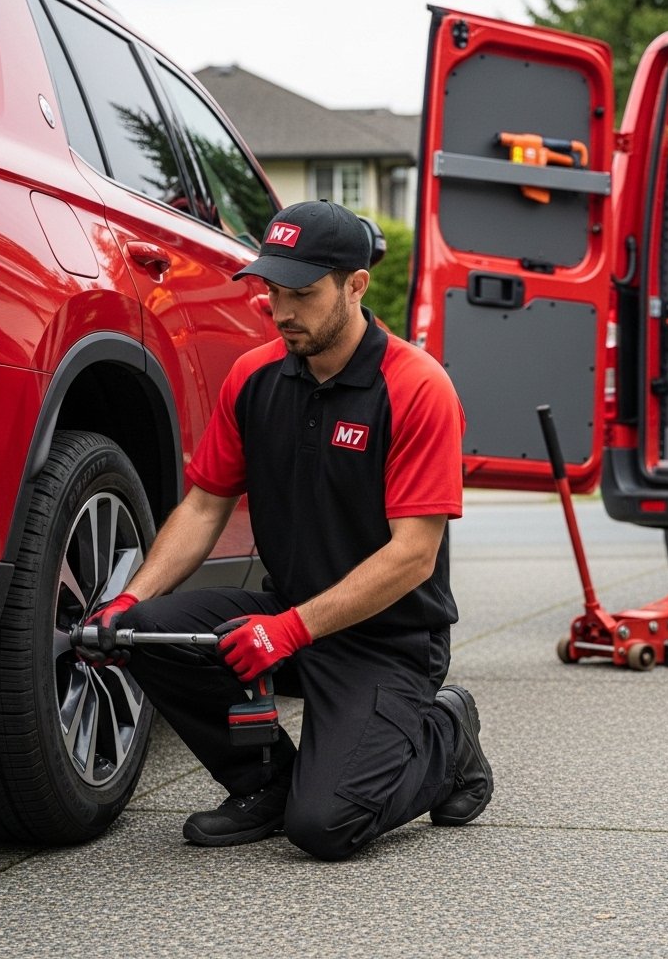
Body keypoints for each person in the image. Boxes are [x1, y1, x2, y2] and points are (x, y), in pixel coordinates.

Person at [78, 199, 492, 860]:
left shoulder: (416, 388)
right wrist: (127, 599)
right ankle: (263, 782)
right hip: (285, 612)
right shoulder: (255, 376)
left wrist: (291, 630)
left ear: (356, 285)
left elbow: (414, 556)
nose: (283, 310)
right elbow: (204, 507)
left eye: (302, 293)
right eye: (272, 291)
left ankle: (445, 733)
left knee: (325, 827)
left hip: (387, 640)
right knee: (143, 630)